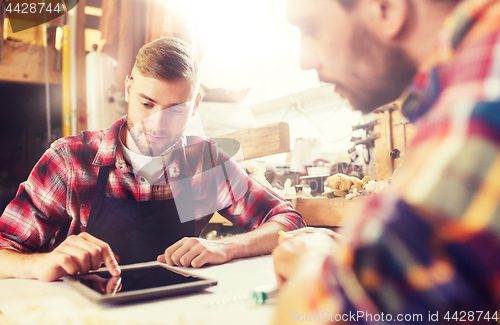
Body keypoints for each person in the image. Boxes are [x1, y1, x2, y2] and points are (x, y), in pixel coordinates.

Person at [0, 37, 305, 282]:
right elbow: (5, 247)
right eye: (147, 104)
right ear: (129, 89)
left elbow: (287, 221)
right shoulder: (72, 160)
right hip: (89, 314)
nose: (157, 124)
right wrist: (41, 264)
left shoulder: (200, 164)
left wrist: (226, 246)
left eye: (176, 110)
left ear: (195, 104)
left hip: (177, 312)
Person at [273, 0, 500, 323]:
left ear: (386, 8)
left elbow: (320, 314)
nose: (304, 61)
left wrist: (314, 260)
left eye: (311, 29)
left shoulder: (486, 85)